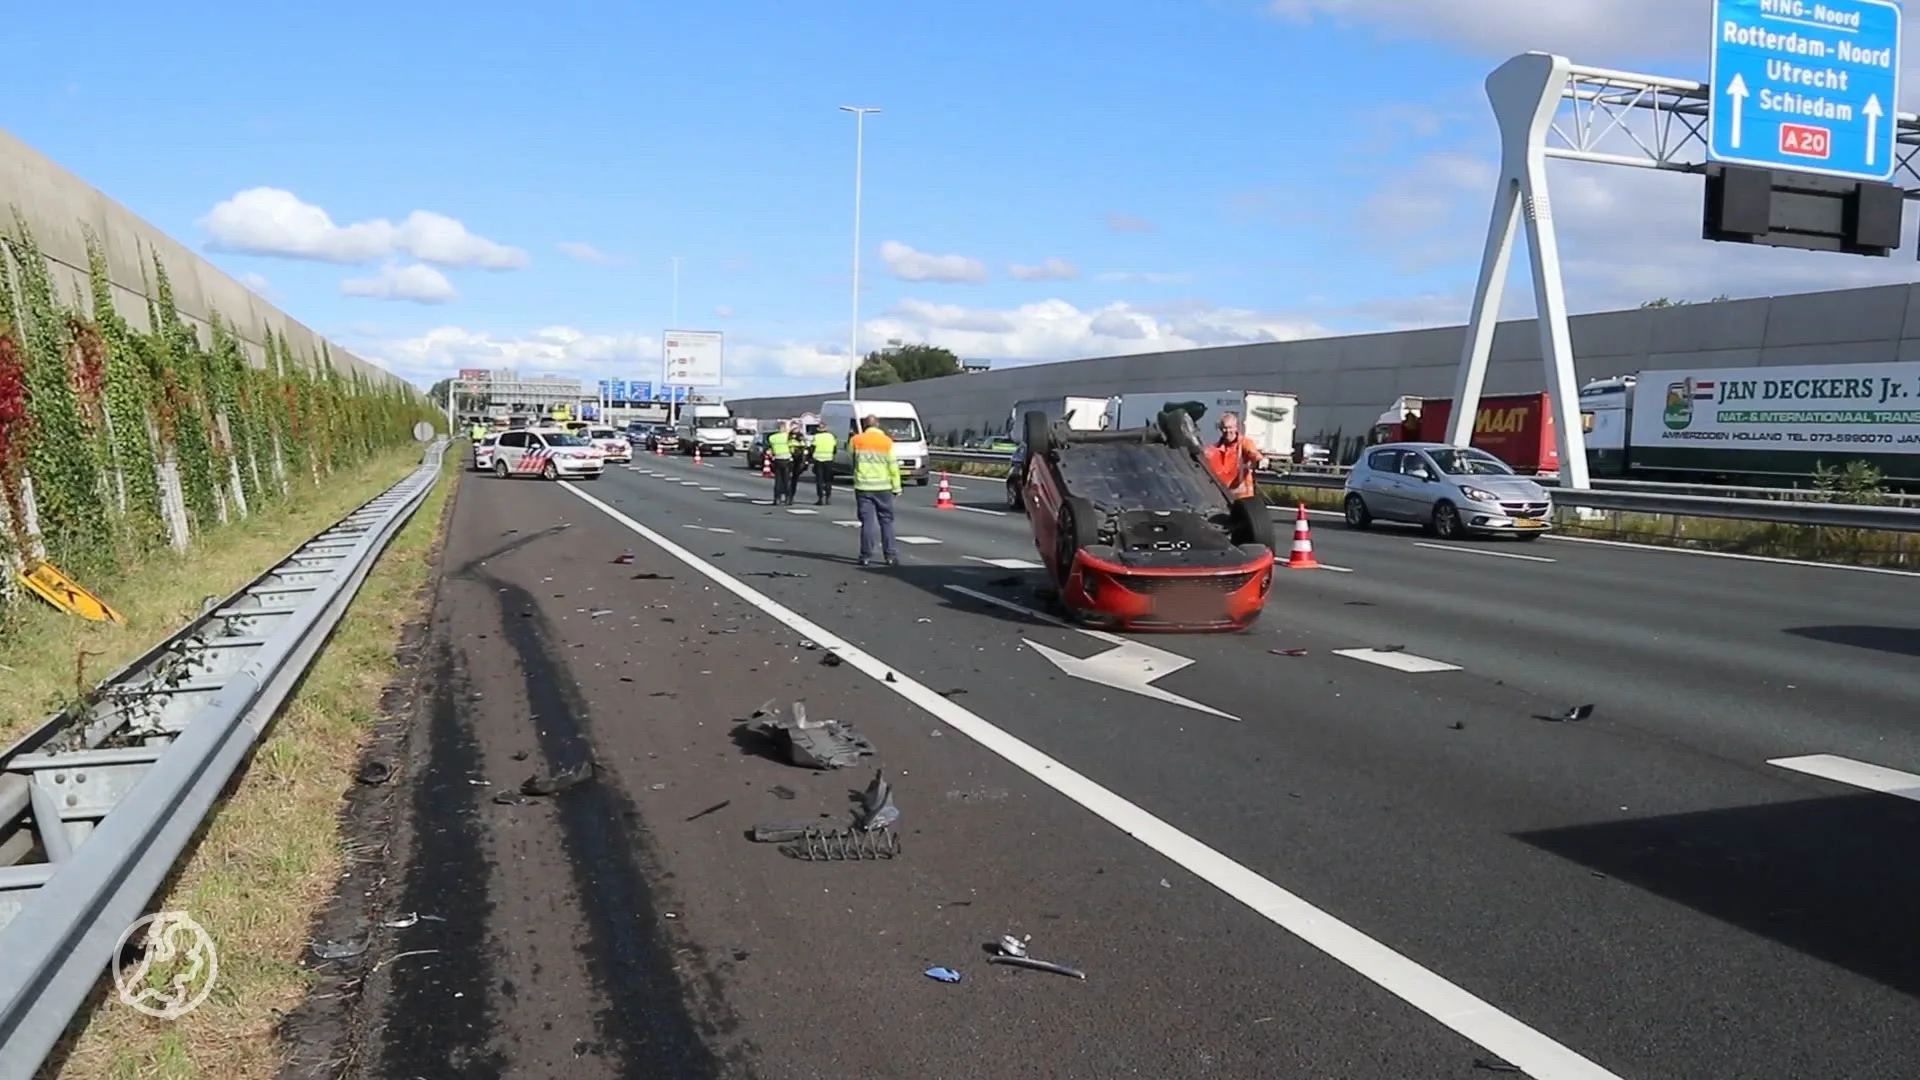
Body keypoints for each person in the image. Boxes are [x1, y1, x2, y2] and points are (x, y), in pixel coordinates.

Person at [849, 414, 901, 566]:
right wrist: (896, 487)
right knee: (886, 521)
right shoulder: (887, 442)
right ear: (878, 425)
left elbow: (851, 456)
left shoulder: (856, 440)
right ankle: (890, 556)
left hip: (863, 486)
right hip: (883, 487)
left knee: (867, 522)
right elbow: (893, 466)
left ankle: (865, 556)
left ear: (865, 425)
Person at [1203, 411, 1267, 500]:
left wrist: (1260, 460)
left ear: (1236, 428)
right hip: (1223, 496)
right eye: (1224, 428)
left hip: (1243, 496)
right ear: (1220, 429)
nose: (1228, 431)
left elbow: (1252, 453)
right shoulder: (1215, 449)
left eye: (1230, 427)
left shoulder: (1244, 443)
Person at [809, 423, 838, 505]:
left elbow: (812, 448)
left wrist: (810, 458)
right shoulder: (831, 436)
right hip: (829, 459)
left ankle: (820, 498)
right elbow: (835, 449)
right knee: (828, 480)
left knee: (819, 480)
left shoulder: (816, 437)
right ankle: (828, 497)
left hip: (818, 460)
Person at [766, 423, 794, 505]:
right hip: (786, 459)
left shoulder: (772, 438)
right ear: (784, 428)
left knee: (778, 480)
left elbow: (770, 449)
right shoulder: (787, 437)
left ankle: (777, 499)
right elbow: (792, 448)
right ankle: (787, 499)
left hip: (777, 459)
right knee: (786, 480)